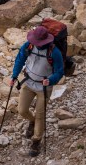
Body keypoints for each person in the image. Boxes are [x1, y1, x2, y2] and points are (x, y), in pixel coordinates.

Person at [11, 24, 65, 157]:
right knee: (22, 110)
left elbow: (60, 71)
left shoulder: (55, 52)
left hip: (44, 87)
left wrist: (51, 80)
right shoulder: (28, 46)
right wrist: (14, 75)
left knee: (41, 115)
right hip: (28, 82)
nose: (36, 44)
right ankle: (32, 120)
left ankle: (36, 140)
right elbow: (20, 60)